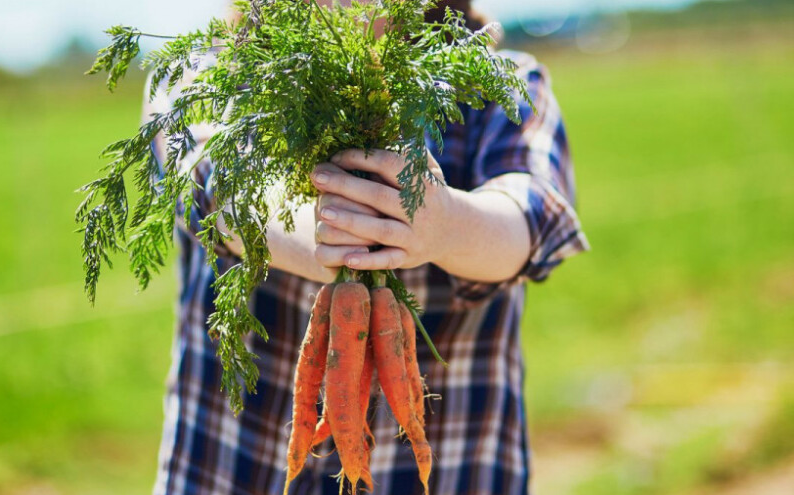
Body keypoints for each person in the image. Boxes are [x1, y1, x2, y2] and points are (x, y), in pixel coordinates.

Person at [145, 1, 589, 494]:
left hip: (454, 473)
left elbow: (531, 215)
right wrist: (320, 227)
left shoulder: (498, 84)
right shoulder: (209, 74)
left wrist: (445, 226)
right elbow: (209, 184)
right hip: (232, 468)